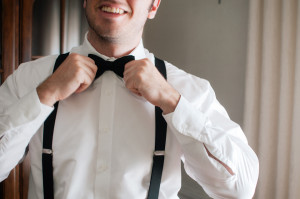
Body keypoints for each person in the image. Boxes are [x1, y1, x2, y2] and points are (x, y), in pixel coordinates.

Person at [0, 0, 259, 198]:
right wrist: (45, 94)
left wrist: (173, 103)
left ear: (154, 4)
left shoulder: (186, 89)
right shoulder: (30, 79)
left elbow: (241, 188)